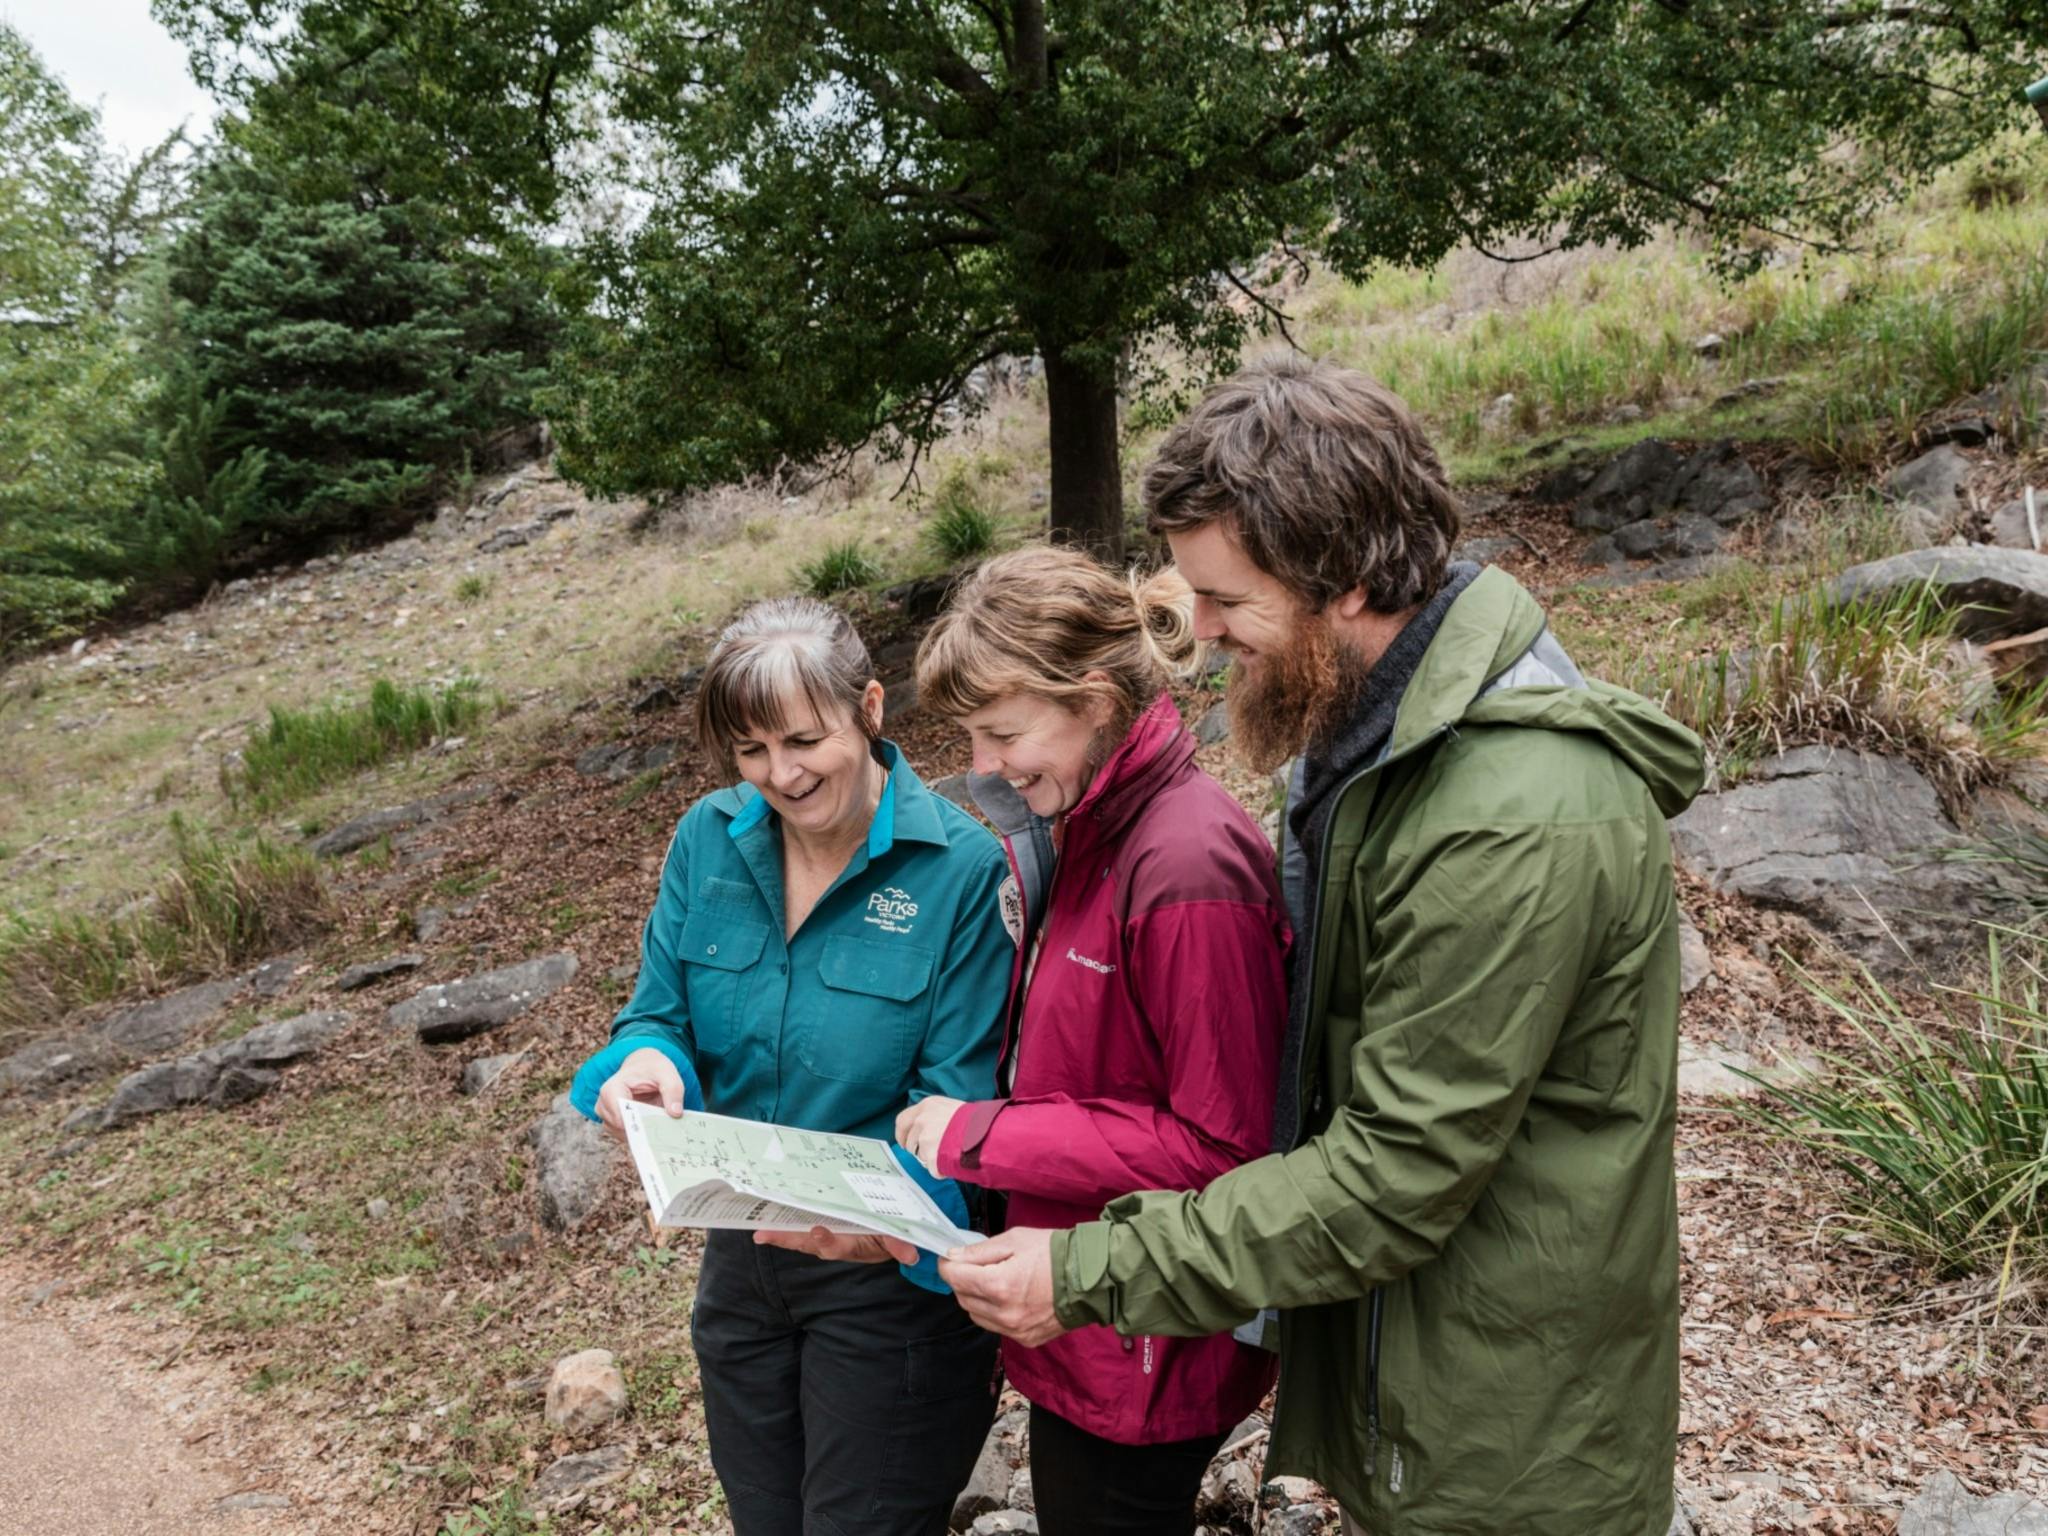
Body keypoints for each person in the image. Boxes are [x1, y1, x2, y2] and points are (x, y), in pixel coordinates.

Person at [939, 358, 1708, 1536]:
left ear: (1342, 577)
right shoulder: (1378, 745)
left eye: (1224, 599)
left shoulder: (1504, 816)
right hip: (1430, 1367)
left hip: (1510, 1428)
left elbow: (1393, 1173)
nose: (1195, 630)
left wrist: (1089, 1270)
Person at [568, 596, 1014, 1536]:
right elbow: (657, 1011)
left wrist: (878, 1225)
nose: (783, 775)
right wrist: (645, 1061)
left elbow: (964, 1105)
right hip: (742, 1266)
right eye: (752, 751)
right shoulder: (708, 837)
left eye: (806, 740)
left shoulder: (965, 871)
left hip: (887, 1281)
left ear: (871, 708)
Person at [892, 545, 1290, 1536]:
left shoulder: (1185, 862)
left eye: (1001, 733)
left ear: (1096, 700)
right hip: (1093, 1308)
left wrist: (980, 1136)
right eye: (972, 736)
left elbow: (1221, 1149)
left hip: (1148, 1340)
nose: (983, 766)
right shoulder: (1083, 824)